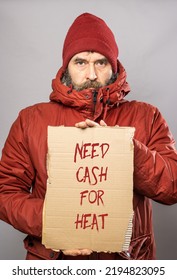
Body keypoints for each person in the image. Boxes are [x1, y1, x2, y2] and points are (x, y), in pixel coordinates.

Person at [0, 12, 177, 260]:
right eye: (81, 62)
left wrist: (126, 150)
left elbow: (172, 188)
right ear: (67, 66)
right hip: (54, 263)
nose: (91, 74)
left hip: (125, 264)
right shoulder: (30, 120)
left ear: (113, 66)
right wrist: (55, 226)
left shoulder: (147, 116)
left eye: (101, 62)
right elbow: (5, 192)